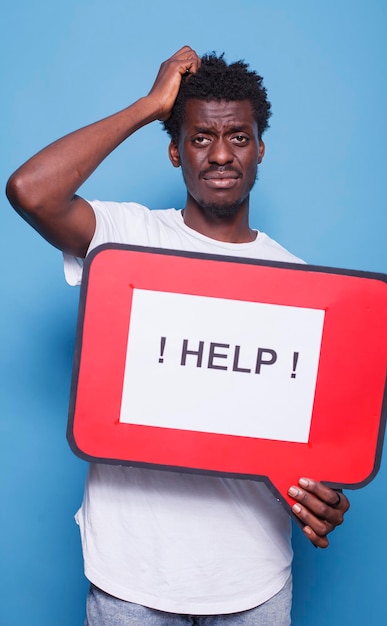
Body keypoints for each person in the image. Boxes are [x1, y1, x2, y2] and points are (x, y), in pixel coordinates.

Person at [6, 45, 350, 625]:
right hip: (131, 577)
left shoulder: (299, 282)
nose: (221, 155)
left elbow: (310, 436)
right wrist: (149, 105)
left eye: (239, 137)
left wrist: (325, 494)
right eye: (199, 138)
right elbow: (31, 190)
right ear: (174, 151)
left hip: (253, 582)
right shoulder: (126, 237)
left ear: (260, 149)